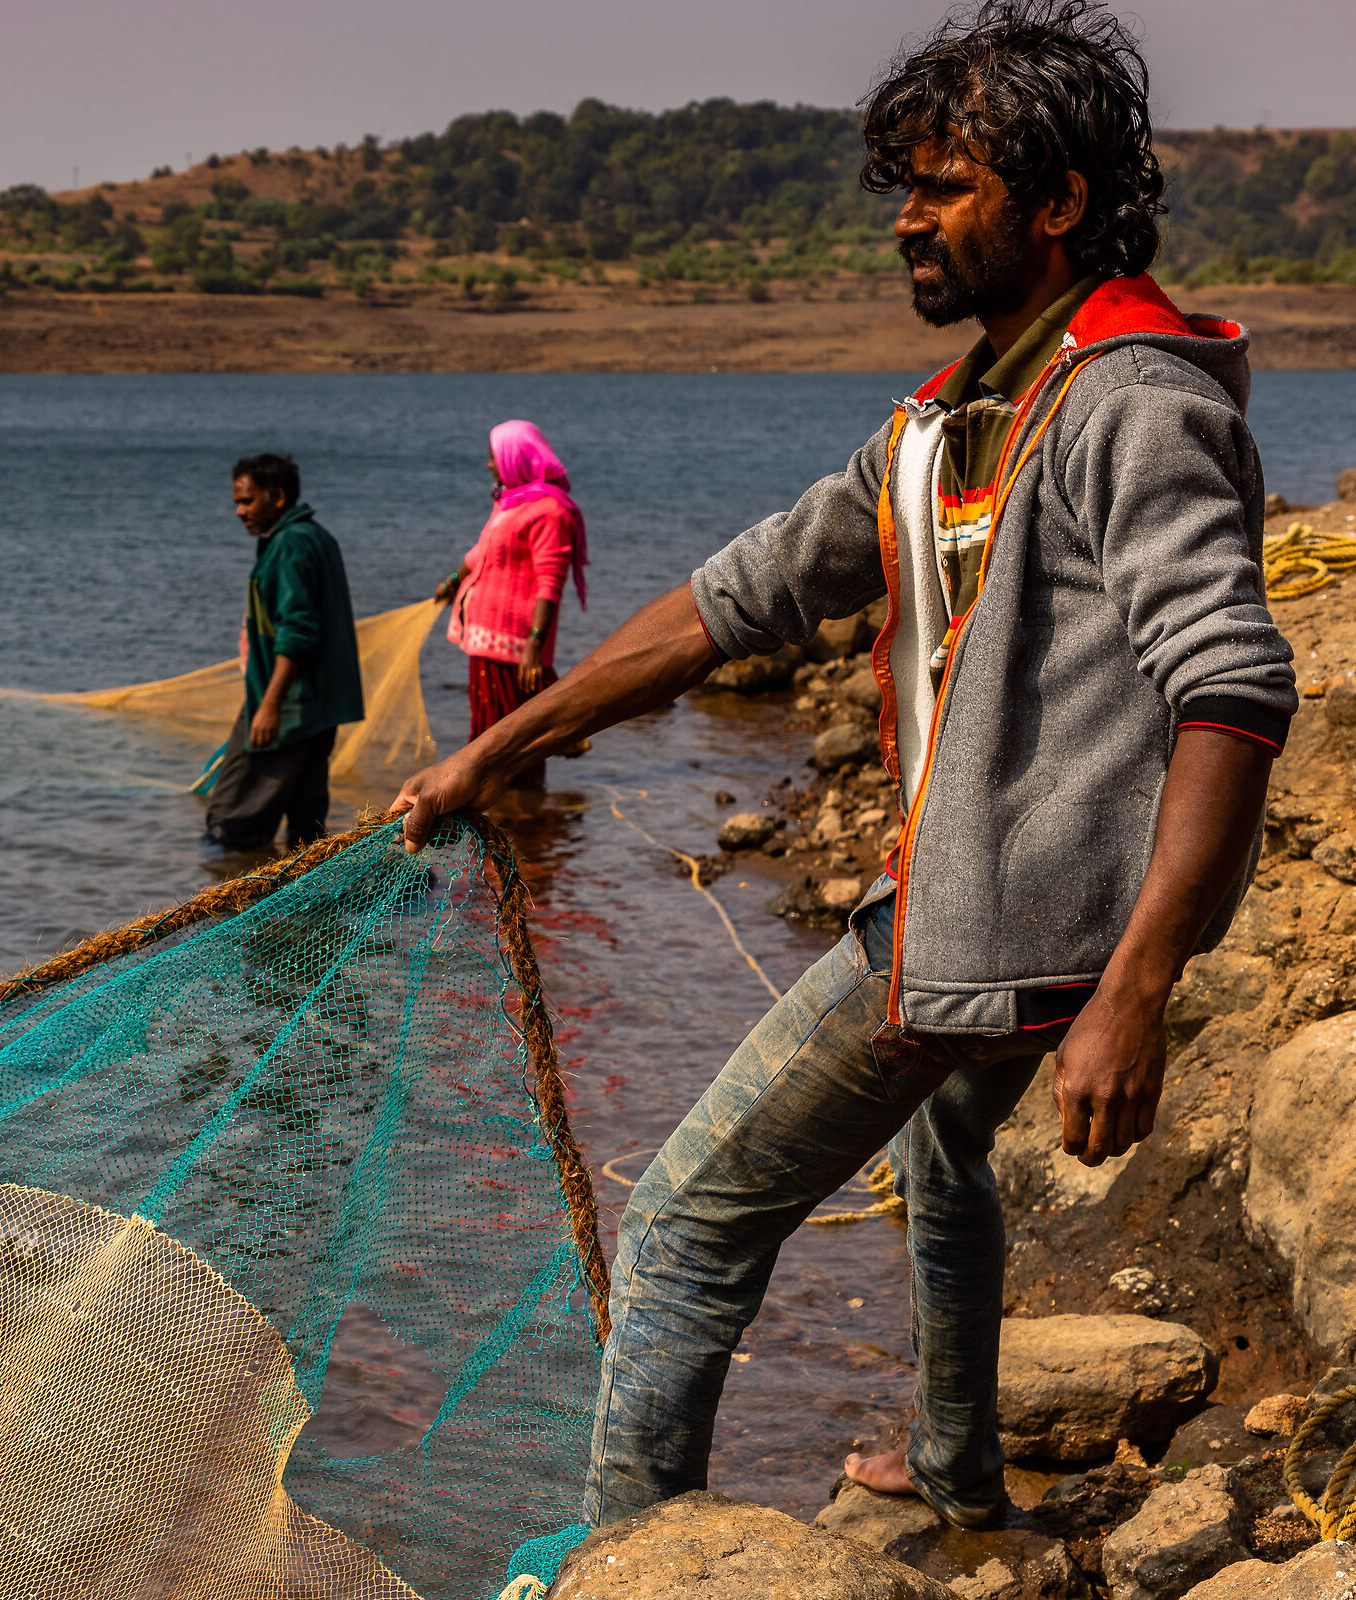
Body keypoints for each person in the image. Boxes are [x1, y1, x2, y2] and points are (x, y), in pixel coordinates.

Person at [396, 0, 1292, 1532]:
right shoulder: (954, 422)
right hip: (1000, 911)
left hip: (1005, 936)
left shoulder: (1136, 405)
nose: (909, 222)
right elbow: (729, 603)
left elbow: (1233, 689)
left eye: (948, 187)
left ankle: (633, 1553)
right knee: (949, 1170)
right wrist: (501, 746)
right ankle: (956, 1469)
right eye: (907, 187)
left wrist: (1137, 990)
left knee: (685, 1218)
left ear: (1060, 202)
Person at [203, 452, 364, 851]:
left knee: (232, 820)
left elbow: (298, 631)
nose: (239, 512)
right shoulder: (312, 536)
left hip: (290, 704)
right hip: (315, 705)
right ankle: (303, 911)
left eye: (247, 500)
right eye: (237, 503)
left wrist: (270, 705)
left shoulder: (291, 544)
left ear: (277, 497)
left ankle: (229, 902)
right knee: (306, 826)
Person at [434, 420, 590, 789]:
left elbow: (550, 581)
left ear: (516, 457)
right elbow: (481, 552)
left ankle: (522, 816)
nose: (489, 464)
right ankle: (516, 812)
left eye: (494, 456)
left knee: (510, 736)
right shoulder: (511, 500)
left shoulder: (550, 511)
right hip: (487, 638)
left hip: (515, 642)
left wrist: (534, 644)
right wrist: (451, 583)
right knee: (494, 730)